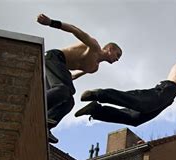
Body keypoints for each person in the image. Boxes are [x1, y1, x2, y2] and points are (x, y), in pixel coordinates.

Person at [74, 36, 176, 126]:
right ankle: (99, 94)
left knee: (135, 119)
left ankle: (96, 111)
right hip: (167, 89)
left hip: (168, 99)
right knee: (142, 103)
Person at [37, 13, 122, 143]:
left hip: (59, 68)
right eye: (117, 55)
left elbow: (73, 75)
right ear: (110, 48)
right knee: (65, 89)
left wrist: (69, 79)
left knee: (69, 102)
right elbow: (73, 29)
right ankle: (36, 106)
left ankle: (46, 126)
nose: (117, 59)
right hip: (53, 57)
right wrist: (50, 22)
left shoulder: (93, 68)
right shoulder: (93, 46)